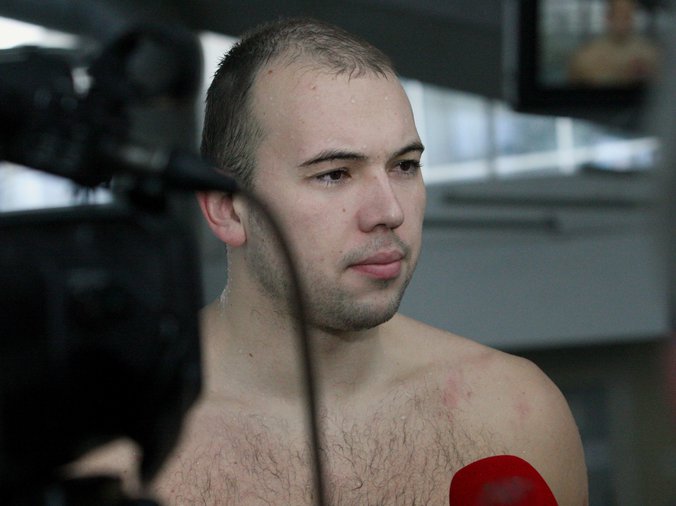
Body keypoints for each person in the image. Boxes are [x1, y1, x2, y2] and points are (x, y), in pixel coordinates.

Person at [73, 17, 589, 505]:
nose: (389, 211)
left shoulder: (515, 414)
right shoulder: (114, 451)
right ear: (227, 208)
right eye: (334, 174)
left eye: (405, 166)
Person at [568, 0, 659, 86]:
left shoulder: (649, 54)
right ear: (608, 17)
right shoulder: (586, 57)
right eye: (619, 14)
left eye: (627, 16)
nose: (623, 21)